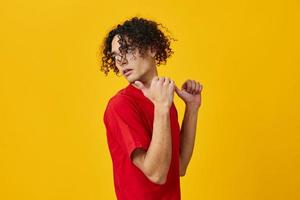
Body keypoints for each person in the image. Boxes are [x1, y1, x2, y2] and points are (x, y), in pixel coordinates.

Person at [100, 16, 203, 200]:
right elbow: (156, 174)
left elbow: (178, 167)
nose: (121, 61)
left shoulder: (163, 101)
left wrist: (192, 108)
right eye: (115, 56)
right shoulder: (120, 106)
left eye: (128, 50)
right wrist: (162, 107)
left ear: (152, 48)